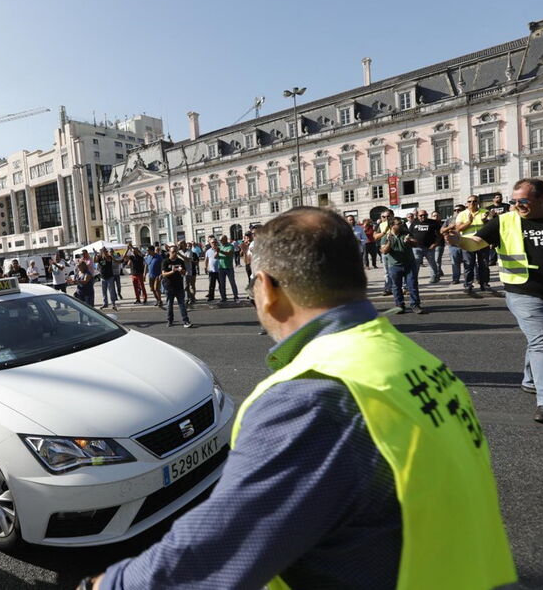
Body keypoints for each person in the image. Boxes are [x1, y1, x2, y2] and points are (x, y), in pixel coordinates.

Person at [84, 207, 515, 590]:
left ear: (266, 287)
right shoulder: (405, 356)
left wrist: (110, 584)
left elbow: (217, 550)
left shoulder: (312, 398)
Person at [445, 178, 543, 424]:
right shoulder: (505, 220)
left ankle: (531, 381)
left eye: (524, 201)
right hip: (525, 294)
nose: (518, 205)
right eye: (515, 201)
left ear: (542, 198)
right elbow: (476, 242)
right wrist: (457, 241)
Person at [381, 218, 424, 314]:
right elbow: (384, 251)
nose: (401, 224)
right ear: (392, 226)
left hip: (409, 264)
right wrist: (389, 242)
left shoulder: (406, 234)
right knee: (396, 287)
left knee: (412, 285)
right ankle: (399, 306)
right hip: (394, 266)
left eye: (401, 223)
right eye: (399, 223)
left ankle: (415, 305)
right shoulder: (386, 237)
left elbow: (415, 244)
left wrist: (409, 241)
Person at [456, 196, 492, 294]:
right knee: (469, 265)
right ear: (466, 203)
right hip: (468, 242)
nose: (472, 203)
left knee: (484, 265)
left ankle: (484, 284)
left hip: (482, 242)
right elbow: (459, 228)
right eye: (469, 201)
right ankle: (468, 285)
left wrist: (485, 221)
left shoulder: (485, 212)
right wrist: (469, 222)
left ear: (478, 202)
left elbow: (491, 227)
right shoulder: (462, 214)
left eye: (474, 201)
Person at [160, 246, 191, 328]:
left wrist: (182, 271)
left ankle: (186, 320)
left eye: (176, 252)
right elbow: (163, 274)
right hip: (169, 286)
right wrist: (172, 271)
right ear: (169, 252)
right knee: (169, 304)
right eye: (173, 252)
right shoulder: (166, 261)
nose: (175, 253)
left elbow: (184, 273)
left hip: (179, 286)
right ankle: (170, 320)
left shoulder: (180, 261)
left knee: (182, 304)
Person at [408, 209, 441, 284]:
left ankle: (434, 277)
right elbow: (409, 234)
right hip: (416, 248)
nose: (423, 216)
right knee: (416, 264)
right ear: (417, 216)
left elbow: (439, 235)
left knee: (432, 263)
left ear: (427, 215)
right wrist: (412, 240)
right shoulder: (414, 222)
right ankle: (414, 279)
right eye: (421, 215)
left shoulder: (433, 222)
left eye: (424, 215)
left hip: (429, 247)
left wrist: (435, 244)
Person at [216, 235, 239, 302]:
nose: (220, 241)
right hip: (221, 268)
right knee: (222, 284)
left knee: (232, 282)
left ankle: (235, 296)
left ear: (225, 239)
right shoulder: (220, 247)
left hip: (229, 268)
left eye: (221, 240)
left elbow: (229, 253)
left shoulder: (230, 246)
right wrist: (217, 252)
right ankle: (223, 297)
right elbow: (216, 257)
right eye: (219, 240)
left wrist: (220, 251)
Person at [204, 236, 220, 301]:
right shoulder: (208, 251)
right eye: (212, 242)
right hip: (212, 270)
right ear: (210, 244)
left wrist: (218, 252)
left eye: (215, 242)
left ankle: (223, 296)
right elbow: (206, 260)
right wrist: (205, 267)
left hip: (219, 270)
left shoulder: (220, 249)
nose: (214, 243)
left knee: (221, 284)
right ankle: (211, 297)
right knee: (211, 285)